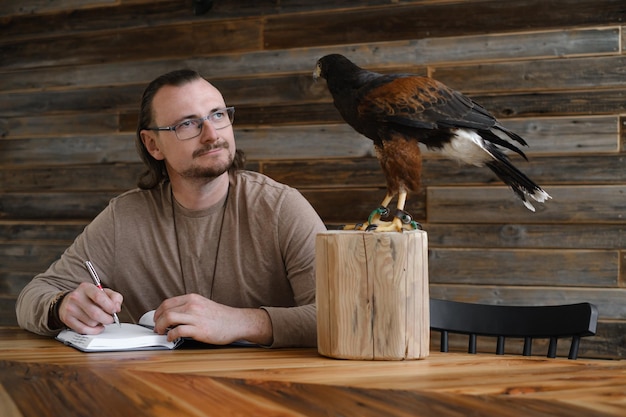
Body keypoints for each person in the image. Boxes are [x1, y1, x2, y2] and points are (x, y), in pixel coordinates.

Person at [15, 69, 326, 348]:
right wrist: (61, 307)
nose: (212, 135)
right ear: (153, 145)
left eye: (218, 115)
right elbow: (34, 294)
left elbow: (339, 315)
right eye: (187, 123)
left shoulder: (281, 207)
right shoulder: (123, 218)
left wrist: (241, 321)